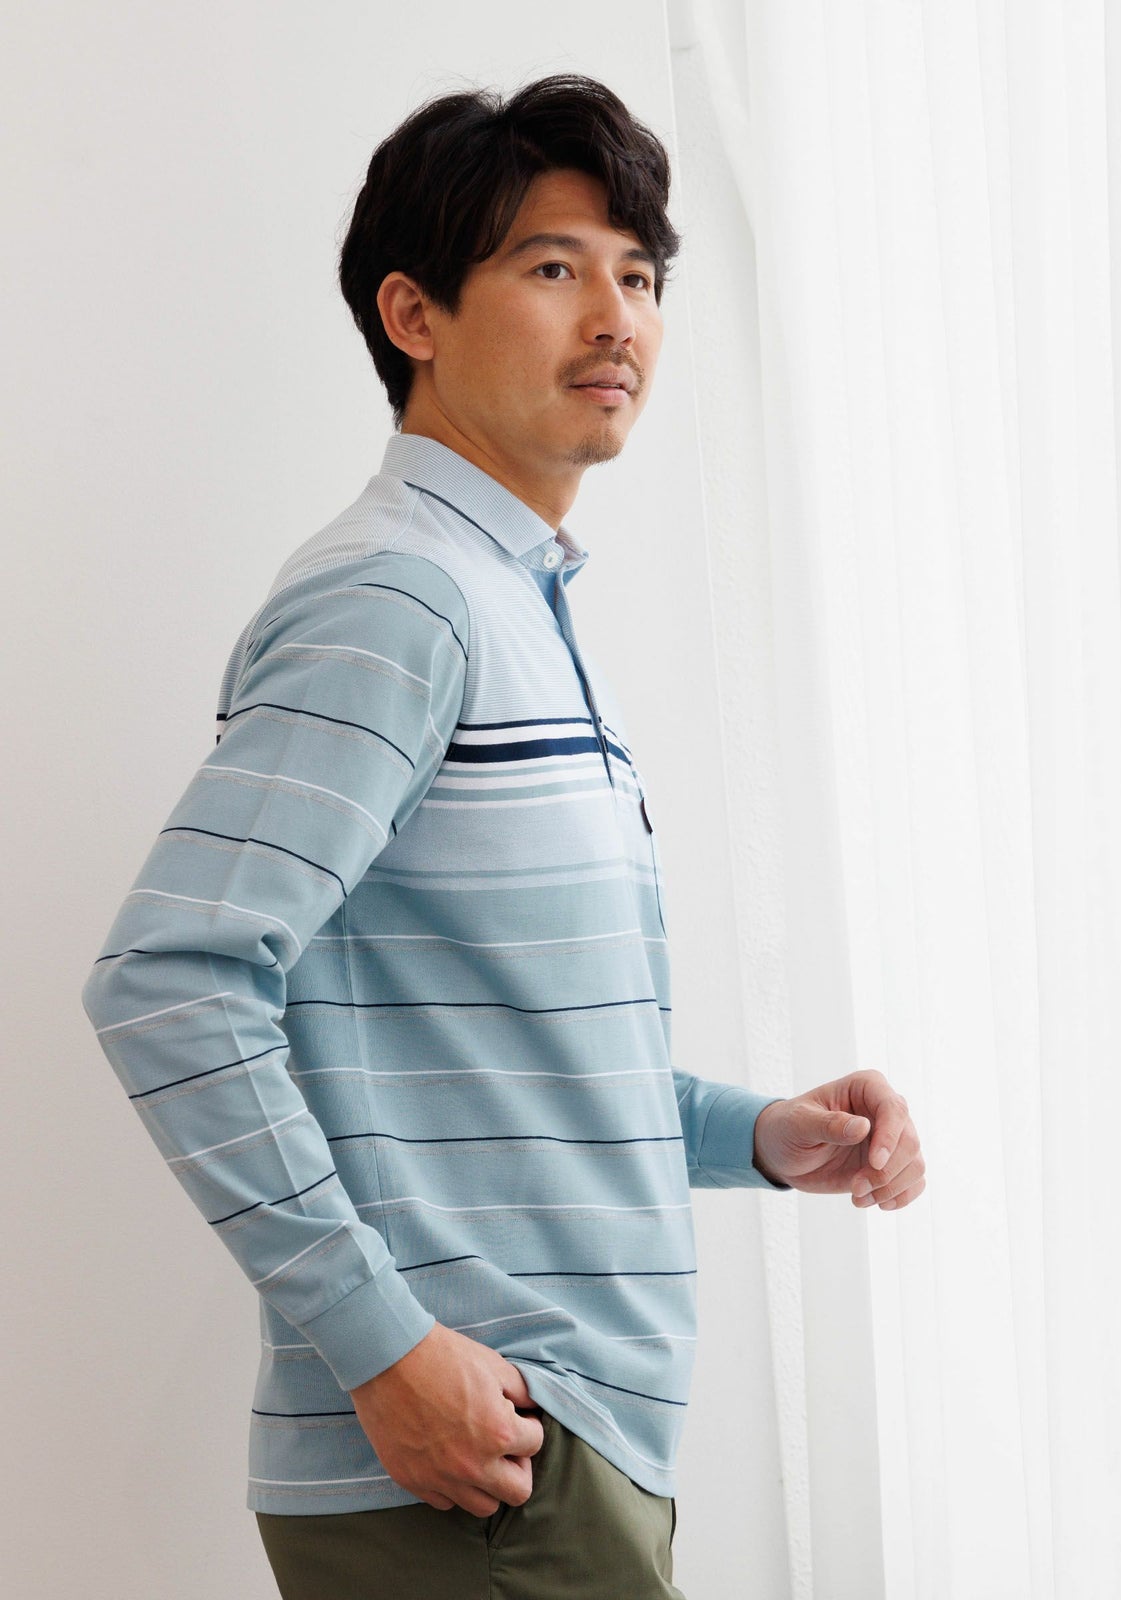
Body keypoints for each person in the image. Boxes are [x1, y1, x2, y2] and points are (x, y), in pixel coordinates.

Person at [81, 72, 925, 1600]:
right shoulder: (397, 600)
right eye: (554, 267)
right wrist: (385, 1348)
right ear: (413, 314)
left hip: (549, 1451)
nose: (616, 318)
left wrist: (756, 1135)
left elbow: (498, 1057)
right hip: (483, 1462)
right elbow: (169, 978)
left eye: (640, 276)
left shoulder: (509, 603)